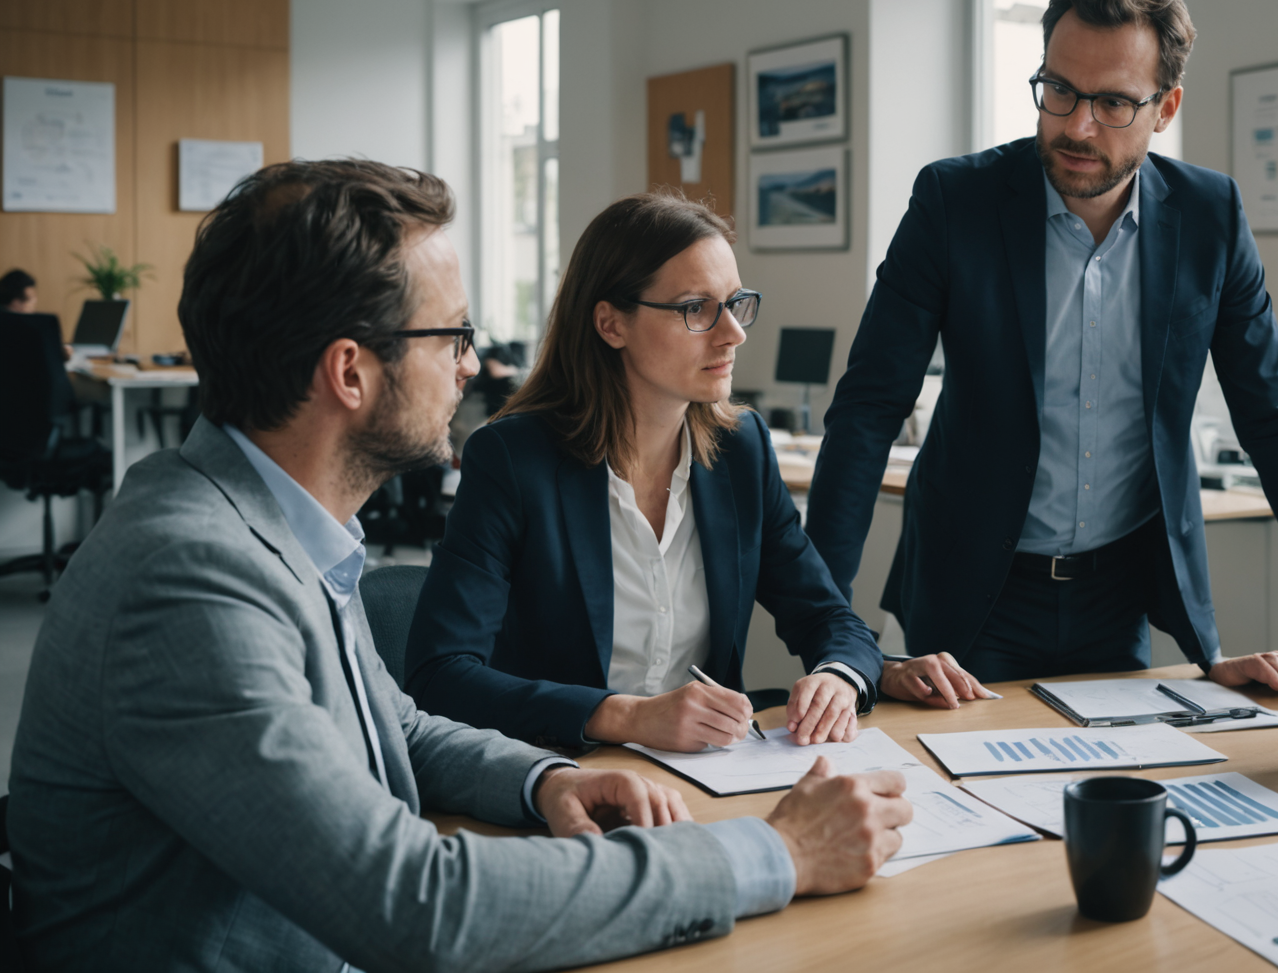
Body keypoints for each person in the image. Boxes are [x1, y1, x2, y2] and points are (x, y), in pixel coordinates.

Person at [6, 160, 913, 972]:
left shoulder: (270, 528)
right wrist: (776, 855)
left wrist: (544, 778)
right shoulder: (189, 578)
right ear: (351, 373)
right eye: (452, 335)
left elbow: (391, 721)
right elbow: (415, 909)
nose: (473, 364)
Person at [806, 0, 1278, 694]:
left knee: (1114, 796)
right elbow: (868, 411)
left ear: (1165, 107)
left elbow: (1275, 420)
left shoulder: (1210, 218)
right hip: (972, 588)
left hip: (1121, 591)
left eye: (1111, 103)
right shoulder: (956, 202)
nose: (1076, 126)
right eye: (1060, 91)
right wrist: (829, 629)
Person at [406, 193, 970, 753]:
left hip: (709, 776)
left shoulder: (740, 450)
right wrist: (624, 716)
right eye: (696, 309)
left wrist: (841, 677)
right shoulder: (511, 459)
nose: (734, 333)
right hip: (562, 777)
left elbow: (826, 615)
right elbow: (440, 675)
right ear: (610, 324)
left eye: (735, 303)